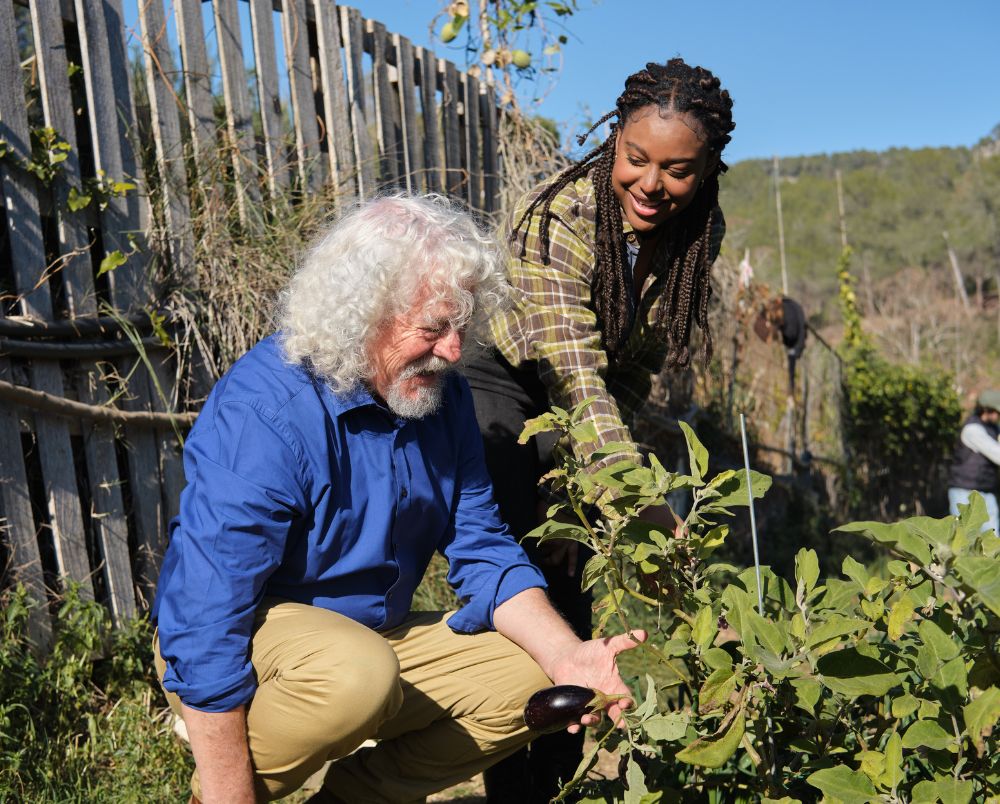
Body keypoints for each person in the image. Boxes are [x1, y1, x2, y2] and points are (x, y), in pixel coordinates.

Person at [151, 195, 645, 804]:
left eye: (461, 326)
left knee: (529, 674)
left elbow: (484, 549)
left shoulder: (442, 400)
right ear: (361, 315)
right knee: (357, 676)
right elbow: (206, 614)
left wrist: (572, 657)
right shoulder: (267, 411)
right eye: (433, 328)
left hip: (365, 643)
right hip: (247, 639)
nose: (455, 350)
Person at [464, 58, 734, 802]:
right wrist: (643, 503)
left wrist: (620, 489)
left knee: (571, 560)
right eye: (636, 160)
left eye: (677, 170)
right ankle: (507, 773)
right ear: (615, 143)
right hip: (502, 378)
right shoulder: (562, 217)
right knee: (522, 557)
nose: (651, 184)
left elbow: (628, 371)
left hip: (583, 393)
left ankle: (552, 772)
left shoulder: (696, 231)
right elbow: (574, 374)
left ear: (706, 169)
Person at [947, 389, 1000, 534]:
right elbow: (997, 454)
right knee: (964, 539)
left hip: (986, 490)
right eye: (997, 412)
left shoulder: (993, 428)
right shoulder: (972, 429)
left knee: (992, 538)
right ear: (986, 409)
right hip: (964, 490)